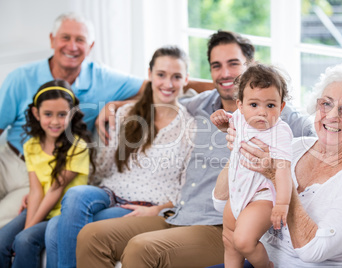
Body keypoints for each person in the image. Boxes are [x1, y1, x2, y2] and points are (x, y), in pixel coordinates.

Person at [75, 30, 315, 268]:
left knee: (142, 249)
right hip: (179, 214)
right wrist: (115, 105)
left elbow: (320, 133)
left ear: (250, 68)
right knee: (91, 236)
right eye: (216, 66)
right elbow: (164, 97)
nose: (225, 74)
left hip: (221, 224)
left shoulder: (277, 114)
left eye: (233, 64)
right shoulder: (203, 103)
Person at [211, 62, 342, 267]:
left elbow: (313, 251)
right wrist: (239, 150)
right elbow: (220, 202)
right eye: (326, 104)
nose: (332, 116)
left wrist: (276, 176)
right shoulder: (293, 147)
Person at [44, 45, 194, 267]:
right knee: (76, 194)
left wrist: (158, 210)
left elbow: (188, 186)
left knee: (55, 228)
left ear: (186, 80)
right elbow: (105, 165)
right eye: (161, 75)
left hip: (145, 205)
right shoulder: (126, 113)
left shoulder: (190, 128)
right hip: (111, 192)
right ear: (150, 74)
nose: (168, 83)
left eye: (176, 76)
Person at [0, 12, 147, 228]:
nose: (72, 46)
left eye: (80, 40)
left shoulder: (103, 78)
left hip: (41, 175)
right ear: (52, 40)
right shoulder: (21, 78)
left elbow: (156, 87)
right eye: (65, 38)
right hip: (8, 158)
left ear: (91, 46)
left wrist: (115, 104)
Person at [0, 80, 95, 268]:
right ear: (36, 113)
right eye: (48, 114)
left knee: (25, 240)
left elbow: (54, 191)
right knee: (3, 241)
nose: (54, 121)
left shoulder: (78, 146)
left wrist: (28, 229)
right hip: (41, 205)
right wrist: (29, 223)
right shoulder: (31, 145)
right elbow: (36, 191)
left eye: (62, 115)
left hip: (64, 214)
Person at [210, 63, 292, 268]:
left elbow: (282, 169)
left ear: (281, 107)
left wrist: (282, 204)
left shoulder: (279, 132)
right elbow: (231, 123)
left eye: (270, 105)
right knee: (229, 240)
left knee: (244, 241)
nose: (262, 113)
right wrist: (222, 122)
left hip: (262, 195)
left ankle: (267, 266)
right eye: (254, 105)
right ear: (240, 105)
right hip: (238, 192)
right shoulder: (239, 118)